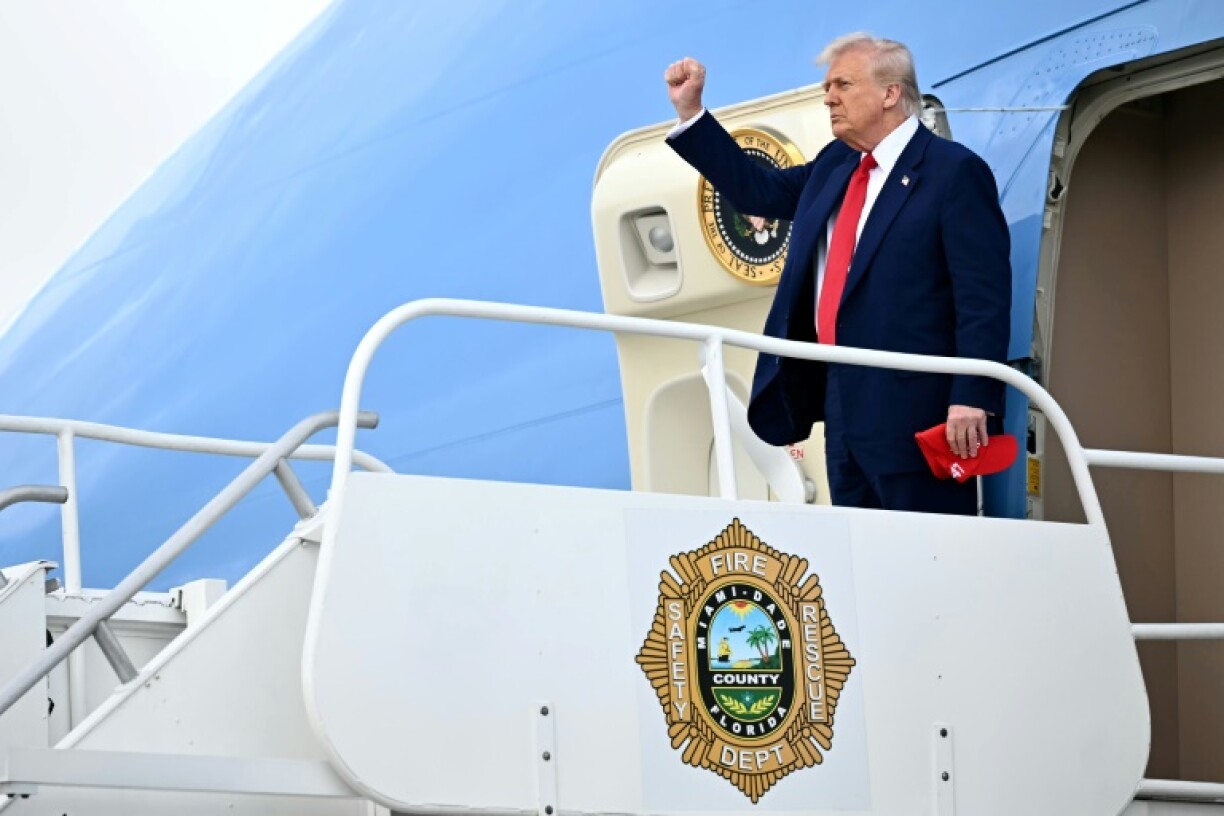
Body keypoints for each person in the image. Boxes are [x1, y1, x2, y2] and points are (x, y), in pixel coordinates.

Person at [663, 34, 1011, 515]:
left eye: (843, 84)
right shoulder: (836, 165)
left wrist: (972, 396)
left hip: (920, 415)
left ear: (890, 93)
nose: (829, 96)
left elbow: (983, 297)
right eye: (828, 86)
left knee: (926, 564)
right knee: (860, 566)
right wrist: (693, 116)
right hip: (841, 409)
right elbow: (758, 192)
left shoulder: (954, 173)